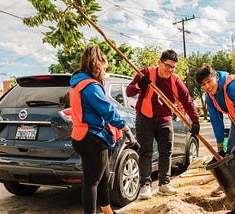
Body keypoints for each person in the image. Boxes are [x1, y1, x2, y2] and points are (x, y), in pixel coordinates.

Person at [70, 45, 138, 214]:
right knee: (91, 182)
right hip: (92, 137)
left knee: (103, 177)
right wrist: (125, 128)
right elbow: (107, 110)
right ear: (96, 64)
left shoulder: (77, 83)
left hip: (82, 136)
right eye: (104, 67)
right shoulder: (89, 85)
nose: (104, 71)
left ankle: (107, 211)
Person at [126, 49, 200, 199]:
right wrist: (140, 85)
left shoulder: (175, 80)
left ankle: (164, 184)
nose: (170, 70)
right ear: (160, 62)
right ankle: (145, 185)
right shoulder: (146, 73)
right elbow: (129, 92)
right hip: (145, 118)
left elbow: (187, 101)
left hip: (165, 119)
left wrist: (196, 120)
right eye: (167, 66)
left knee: (166, 151)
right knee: (145, 152)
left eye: (173, 67)